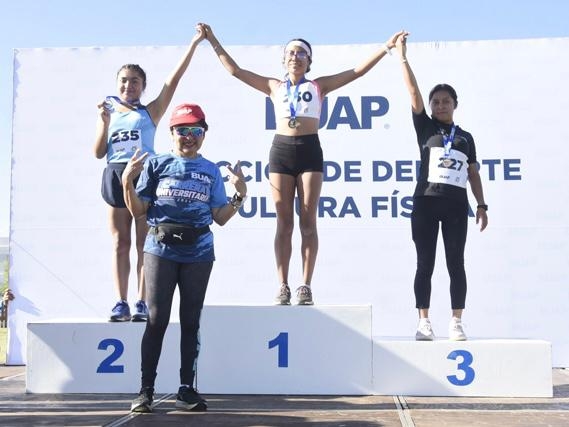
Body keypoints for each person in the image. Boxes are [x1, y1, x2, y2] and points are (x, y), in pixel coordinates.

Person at [200, 23, 405, 306]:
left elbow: (357, 71)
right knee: (284, 223)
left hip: (309, 151)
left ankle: (305, 285)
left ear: (309, 61)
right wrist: (212, 39)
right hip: (281, 151)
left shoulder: (318, 85)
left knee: (308, 222)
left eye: (301, 54)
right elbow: (236, 71)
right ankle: (282, 285)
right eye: (291, 53)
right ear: (283, 60)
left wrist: (386, 47)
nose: (295, 57)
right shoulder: (274, 86)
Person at [124, 103, 247, 413]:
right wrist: (127, 181)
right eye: (183, 130)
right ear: (172, 133)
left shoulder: (210, 170)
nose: (189, 136)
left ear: (204, 135)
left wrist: (240, 194)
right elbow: (138, 210)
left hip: (199, 251)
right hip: (160, 249)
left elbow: (220, 217)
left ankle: (186, 390)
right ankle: (145, 392)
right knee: (156, 320)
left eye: (195, 131)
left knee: (190, 321)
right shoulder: (157, 165)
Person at [94, 27, 206, 322]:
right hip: (116, 174)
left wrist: (194, 43)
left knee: (146, 242)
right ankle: (121, 301)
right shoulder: (108, 112)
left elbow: (173, 80)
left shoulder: (151, 112)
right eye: (124, 80)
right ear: (117, 84)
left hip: (143, 177)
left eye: (134, 81)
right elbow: (97, 152)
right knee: (121, 242)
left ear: (143, 86)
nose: (128, 85)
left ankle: (142, 302)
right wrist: (103, 122)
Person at [395, 33, 488, 341]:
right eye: (436, 101)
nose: (440, 104)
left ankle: (456, 321)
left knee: (455, 263)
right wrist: (403, 57)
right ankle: (423, 321)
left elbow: (473, 174)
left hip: (455, 206)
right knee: (425, 263)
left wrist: (482, 205)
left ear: (455, 105)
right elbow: (412, 90)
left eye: (446, 101)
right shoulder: (425, 127)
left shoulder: (466, 137)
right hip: (425, 203)